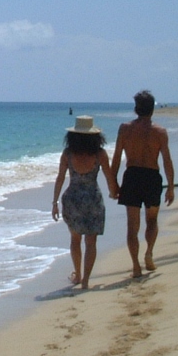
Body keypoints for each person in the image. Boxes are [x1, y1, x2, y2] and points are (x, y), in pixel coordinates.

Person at [111, 90, 175, 278]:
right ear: (152, 110)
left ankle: (136, 266)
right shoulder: (160, 132)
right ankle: (149, 253)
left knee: (132, 226)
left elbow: (116, 158)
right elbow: (167, 161)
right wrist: (171, 186)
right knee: (152, 220)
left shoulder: (125, 129)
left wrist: (113, 183)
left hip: (131, 176)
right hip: (151, 177)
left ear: (135, 109)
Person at [51, 116, 119, 290]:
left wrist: (55, 201)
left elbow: (60, 178)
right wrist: (113, 192)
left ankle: (78, 274)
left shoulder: (67, 154)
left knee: (75, 239)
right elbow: (108, 175)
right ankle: (86, 280)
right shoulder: (100, 154)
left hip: (72, 198)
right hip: (93, 199)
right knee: (91, 242)